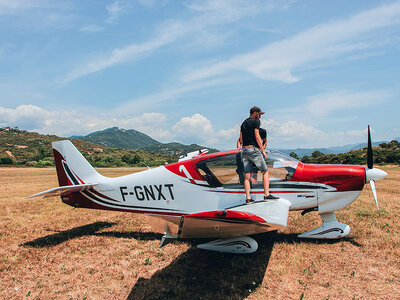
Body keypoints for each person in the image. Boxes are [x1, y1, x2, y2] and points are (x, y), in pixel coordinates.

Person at [237, 106, 278, 203]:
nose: (260, 116)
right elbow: (257, 136)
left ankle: (248, 198)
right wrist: (263, 150)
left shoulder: (243, 123)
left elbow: (241, 140)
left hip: (244, 150)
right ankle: (266, 194)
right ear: (255, 113)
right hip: (253, 150)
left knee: (247, 175)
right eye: (259, 114)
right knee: (265, 171)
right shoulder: (255, 122)